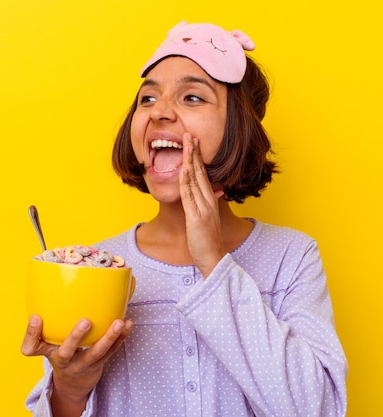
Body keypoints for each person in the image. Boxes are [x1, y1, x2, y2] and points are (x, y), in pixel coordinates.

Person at [22, 21, 348, 417]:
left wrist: (215, 262)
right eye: (147, 99)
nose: (160, 111)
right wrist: (68, 392)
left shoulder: (290, 258)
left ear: (237, 130)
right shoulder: (97, 268)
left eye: (192, 97)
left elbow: (318, 409)